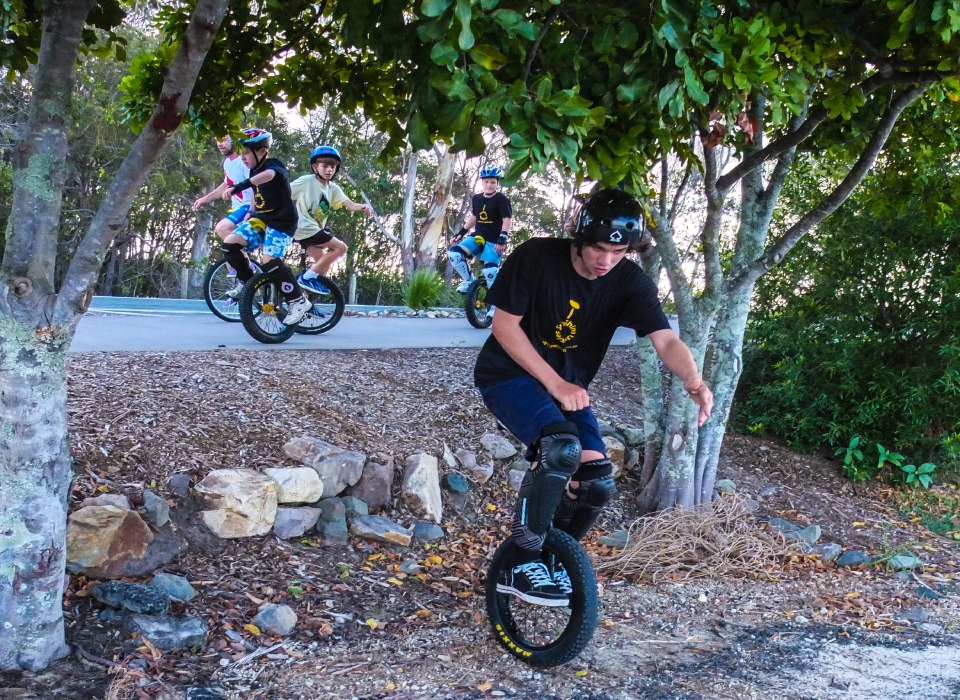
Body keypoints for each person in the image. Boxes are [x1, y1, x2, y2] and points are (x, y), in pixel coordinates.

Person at [473, 188, 714, 606]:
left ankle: (550, 557)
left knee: (598, 481)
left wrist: (694, 380)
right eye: (599, 249)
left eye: (618, 254)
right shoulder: (536, 257)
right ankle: (521, 562)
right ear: (579, 238)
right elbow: (504, 328)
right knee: (560, 450)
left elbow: (665, 338)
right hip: (506, 376)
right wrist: (555, 383)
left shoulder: (629, 283)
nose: (606, 261)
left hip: (569, 390)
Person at [219, 128, 312, 326]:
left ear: (261, 151)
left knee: (269, 261)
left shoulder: (273, 165)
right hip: (261, 218)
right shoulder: (253, 169)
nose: (243, 157)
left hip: (282, 222)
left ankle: (298, 300)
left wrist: (238, 186)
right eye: (241, 152)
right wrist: (249, 215)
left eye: (246, 152)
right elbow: (256, 195)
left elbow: (268, 176)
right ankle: (248, 282)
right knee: (230, 244)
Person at [290, 145, 373, 295]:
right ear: (315, 166)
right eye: (325, 166)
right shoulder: (306, 181)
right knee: (341, 248)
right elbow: (285, 193)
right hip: (304, 228)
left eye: (333, 167)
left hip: (314, 230)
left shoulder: (333, 188)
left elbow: (350, 205)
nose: (329, 170)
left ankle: (303, 303)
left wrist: (364, 207)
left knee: (323, 267)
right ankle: (306, 278)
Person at [193, 135, 256, 277]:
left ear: (234, 140)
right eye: (217, 140)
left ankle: (246, 268)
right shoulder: (228, 163)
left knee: (222, 228)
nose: (220, 144)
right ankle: (241, 283)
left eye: (224, 139)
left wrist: (251, 210)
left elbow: (255, 185)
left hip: (247, 205)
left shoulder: (243, 161)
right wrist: (206, 198)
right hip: (237, 207)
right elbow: (227, 183)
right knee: (228, 245)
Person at [449, 165, 512, 293]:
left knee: (490, 271)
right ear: (482, 182)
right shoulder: (477, 198)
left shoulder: (501, 199)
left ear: (497, 183)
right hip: (479, 235)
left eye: (493, 182)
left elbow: (507, 219)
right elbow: (474, 216)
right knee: (454, 254)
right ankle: (468, 281)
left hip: (495, 240)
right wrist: (461, 232)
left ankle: (495, 306)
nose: (489, 185)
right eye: (486, 181)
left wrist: (503, 238)